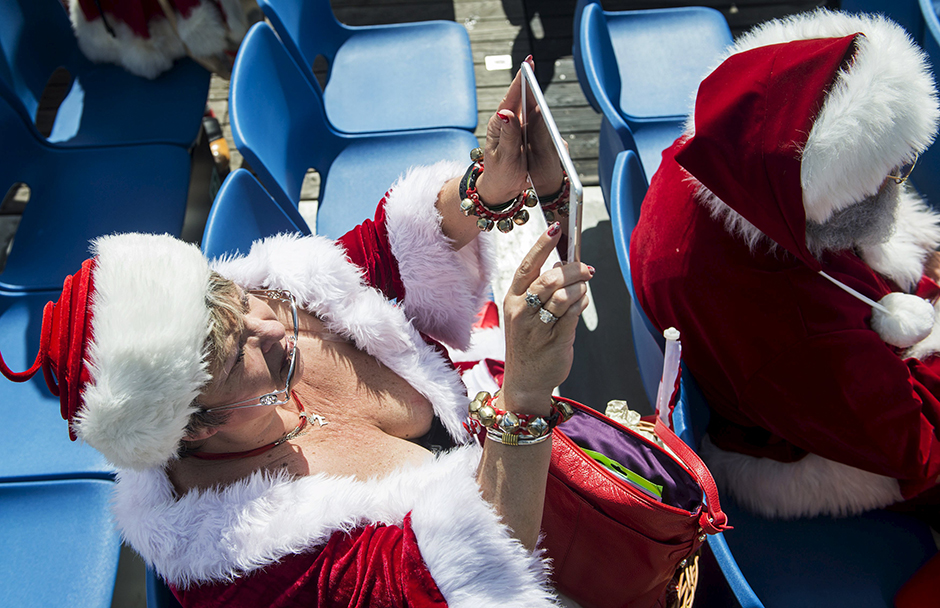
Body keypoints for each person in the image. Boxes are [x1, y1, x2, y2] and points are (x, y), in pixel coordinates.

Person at [2, 59, 593, 606]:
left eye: (242, 299)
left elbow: (379, 260)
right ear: (198, 428)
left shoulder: (273, 298)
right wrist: (524, 397)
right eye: (237, 357)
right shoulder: (240, 566)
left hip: (546, 485)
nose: (271, 325)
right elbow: (450, 584)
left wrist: (484, 189)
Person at [631, 9, 940, 521]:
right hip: (800, 447)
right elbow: (916, 448)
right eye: (891, 171)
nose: (898, 181)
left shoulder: (712, 155)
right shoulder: (802, 329)